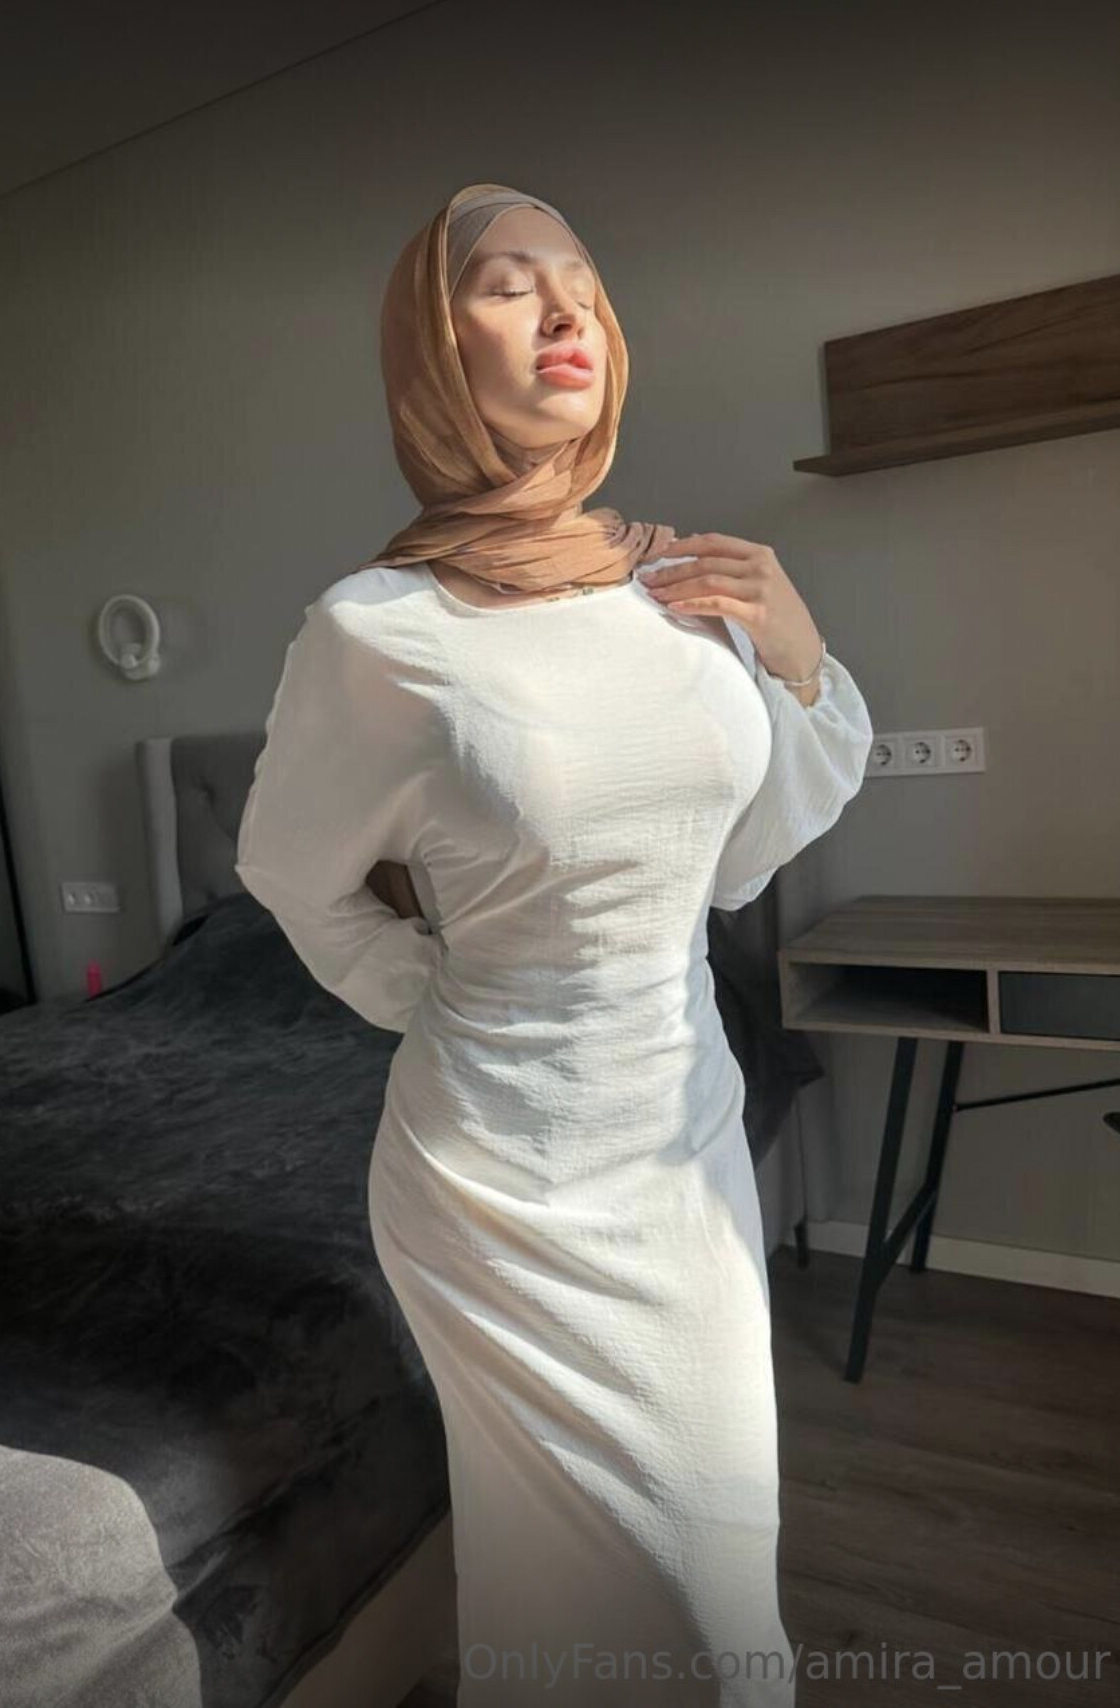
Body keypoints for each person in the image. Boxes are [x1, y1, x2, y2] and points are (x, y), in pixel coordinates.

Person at [234, 182, 874, 1706]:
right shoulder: (375, 630)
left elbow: (740, 853)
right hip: (497, 1180)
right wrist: (438, 993)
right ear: (434, 347)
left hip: (683, 1137)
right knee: (626, 1583)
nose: (566, 306)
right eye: (509, 283)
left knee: (712, 1576)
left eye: (581, 279)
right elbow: (289, 873)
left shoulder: (682, 589)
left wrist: (799, 659)